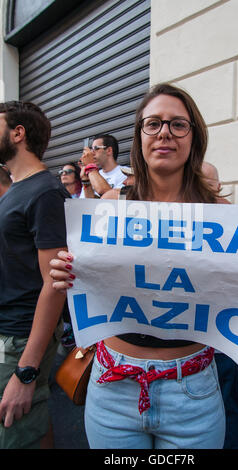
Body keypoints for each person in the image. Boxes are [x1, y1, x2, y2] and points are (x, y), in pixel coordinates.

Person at [49, 83, 238, 449]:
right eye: (153, 124)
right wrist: (65, 271)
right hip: (111, 387)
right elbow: (84, 273)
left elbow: (236, 287)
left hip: (192, 391)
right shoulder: (111, 204)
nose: (164, 132)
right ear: (140, 136)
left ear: (194, 138)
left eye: (178, 124)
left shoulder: (221, 214)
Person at [0, 101, 69, 449]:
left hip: (21, 337)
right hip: (9, 330)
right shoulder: (17, 189)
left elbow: (54, 285)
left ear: (18, 133)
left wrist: (26, 371)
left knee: (17, 429)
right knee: (28, 425)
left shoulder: (45, 192)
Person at [201, 160, 238, 449]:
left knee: (225, 403)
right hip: (194, 335)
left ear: (217, 186)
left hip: (221, 337)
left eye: (206, 184)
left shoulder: (231, 218)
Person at [79, 134, 127, 198]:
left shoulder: (125, 173)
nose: (91, 153)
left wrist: (90, 166)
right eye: (91, 149)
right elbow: (85, 202)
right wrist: (85, 179)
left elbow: (113, 199)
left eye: (96, 148)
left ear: (109, 150)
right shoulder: (92, 174)